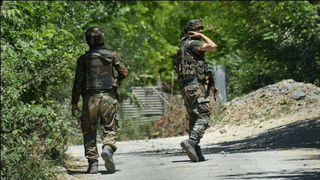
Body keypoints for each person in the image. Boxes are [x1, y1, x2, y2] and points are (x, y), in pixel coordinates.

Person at [71, 27, 128, 173]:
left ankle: (93, 164)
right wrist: (116, 83)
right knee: (110, 127)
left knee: (89, 131)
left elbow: (78, 83)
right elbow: (123, 72)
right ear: (103, 38)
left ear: (87, 40)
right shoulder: (112, 55)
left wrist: (74, 103)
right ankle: (108, 148)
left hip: (90, 99)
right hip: (108, 97)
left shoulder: (83, 59)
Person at [176, 19, 218, 162]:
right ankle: (192, 141)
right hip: (194, 86)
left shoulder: (183, 45)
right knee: (205, 114)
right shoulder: (192, 43)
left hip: (186, 87)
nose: (201, 32)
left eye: (202, 30)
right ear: (191, 32)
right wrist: (203, 37)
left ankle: (195, 150)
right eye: (198, 30)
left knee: (194, 118)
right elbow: (213, 46)